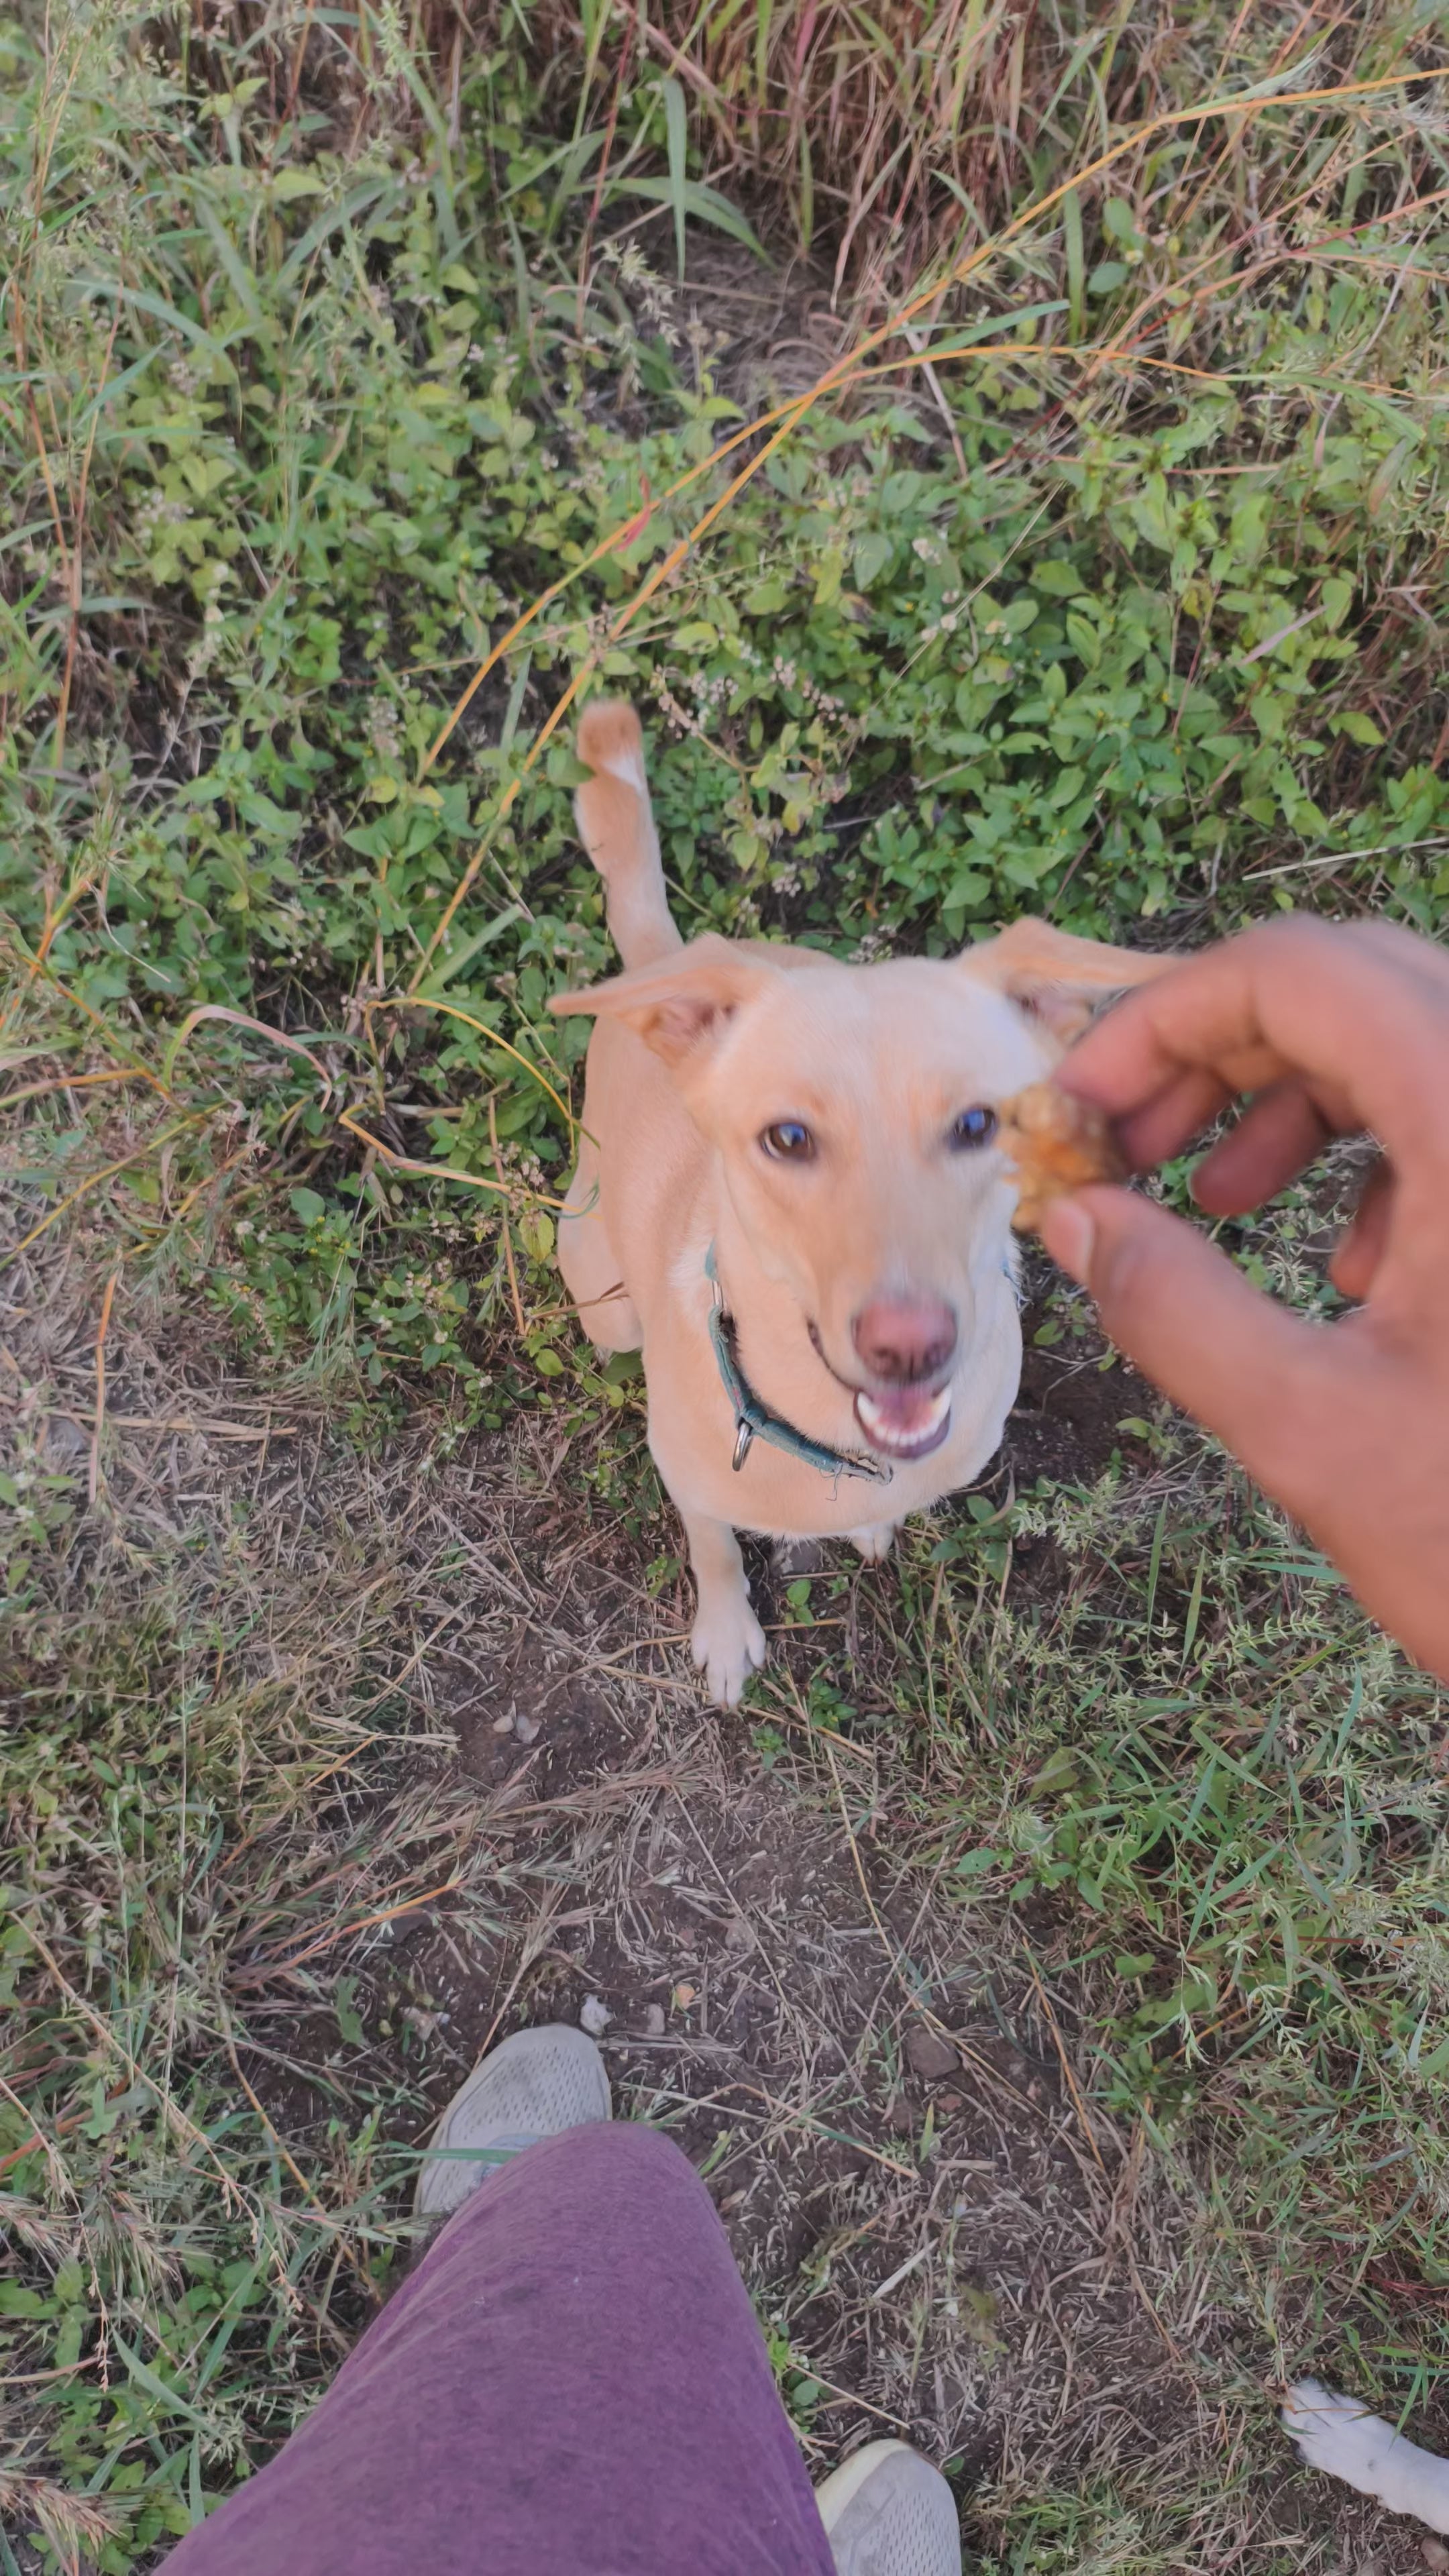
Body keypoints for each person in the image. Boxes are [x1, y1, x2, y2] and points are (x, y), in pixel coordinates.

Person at [164, 915, 1449, 2576]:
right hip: (717, 1388)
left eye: (970, 1131)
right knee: (639, 1352)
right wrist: (726, 1577)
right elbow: (709, 1435)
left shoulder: (957, 1344)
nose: (900, 1288)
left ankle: (509, 2310)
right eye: (794, 1144)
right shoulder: (694, 1122)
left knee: (602, 2219)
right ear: (697, 1061)